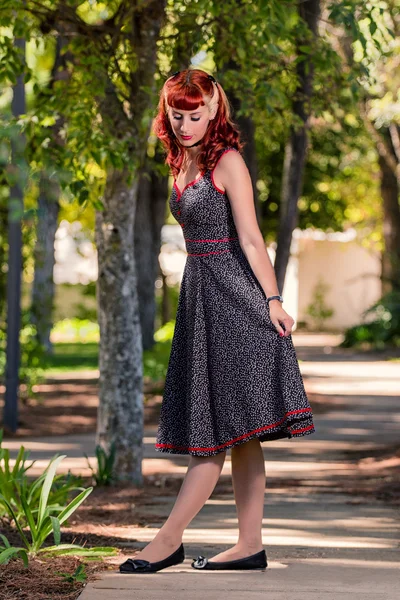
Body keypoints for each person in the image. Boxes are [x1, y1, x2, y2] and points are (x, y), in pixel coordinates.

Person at [119, 68, 315, 575]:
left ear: (214, 111)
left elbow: (251, 238)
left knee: (215, 440)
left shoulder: (227, 161)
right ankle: (249, 545)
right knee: (241, 436)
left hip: (238, 306)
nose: (185, 124)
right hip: (201, 301)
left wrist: (273, 299)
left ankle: (167, 541)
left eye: (195, 115)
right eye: (177, 115)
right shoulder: (180, 161)